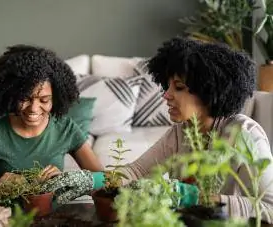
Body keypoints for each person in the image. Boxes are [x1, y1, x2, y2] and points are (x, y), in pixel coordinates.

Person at [43, 37, 273, 222]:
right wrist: (88, 180)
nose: (166, 95)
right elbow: (134, 172)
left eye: (179, 87)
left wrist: (192, 197)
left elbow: (269, 209)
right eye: (168, 86)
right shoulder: (181, 132)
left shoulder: (245, 135)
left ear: (208, 91)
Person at [0, 45, 104, 212]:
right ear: (12, 95)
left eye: (44, 100)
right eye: (25, 98)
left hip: (51, 221)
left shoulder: (65, 128)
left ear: (56, 98)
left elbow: (105, 180)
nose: (33, 108)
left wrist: (66, 180)